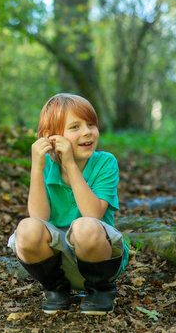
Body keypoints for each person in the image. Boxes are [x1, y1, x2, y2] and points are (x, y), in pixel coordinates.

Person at [7, 93, 129, 315]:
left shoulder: (105, 163)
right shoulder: (46, 167)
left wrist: (71, 165)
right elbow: (38, 218)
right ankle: (56, 289)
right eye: (75, 127)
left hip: (98, 257)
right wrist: (36, 167)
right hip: (60, 261)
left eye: (91, 124)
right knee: (26, 228)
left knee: (85, 226)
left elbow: (93, 214)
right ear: (50, 137)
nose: (87, 132)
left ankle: (101, 291)